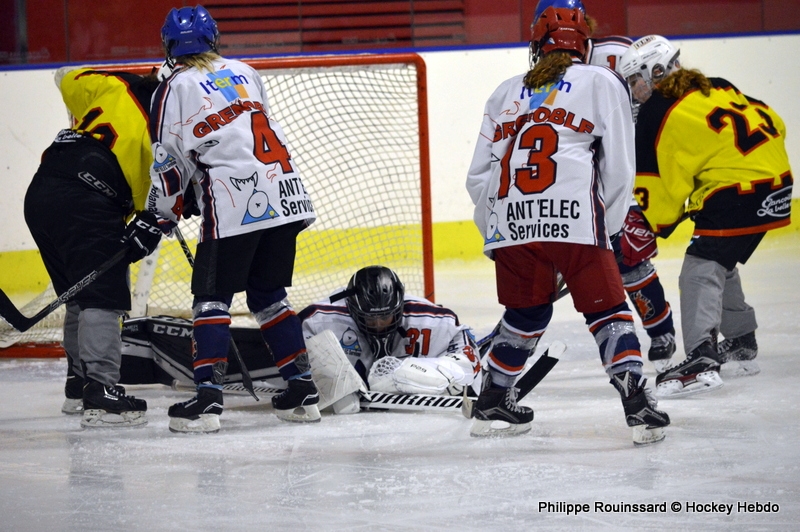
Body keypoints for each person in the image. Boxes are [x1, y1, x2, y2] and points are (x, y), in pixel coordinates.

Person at [465, 4, 670, 444]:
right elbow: (618, 165)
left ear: (536, 43)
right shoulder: (601, 81)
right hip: (575, 215)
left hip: (509, 218)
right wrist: (610, 227)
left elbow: (479, 176)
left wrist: (496, 233)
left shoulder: (504, 92)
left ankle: (493, 399)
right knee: (607, 309)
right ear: (586, 42)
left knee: (526, 312)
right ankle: (636, 401)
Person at [148, 5, 320, 433]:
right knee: (268, 295)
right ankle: (301, 391)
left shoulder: (174, 86)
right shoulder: (246, 70)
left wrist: (162, 212)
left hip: (232, 203)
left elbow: (170, 161)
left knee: (211, 299)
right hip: (285, 194)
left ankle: (207, 400)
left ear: (170, 45)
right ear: (214, 39)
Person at [618, 35, 793, 396]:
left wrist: (651, 223)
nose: (635, 92)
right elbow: (773, 120)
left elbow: (658, 188)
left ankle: (701, 360)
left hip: (739, 191)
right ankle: (742, 340)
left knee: (699, 266)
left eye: (636, 82)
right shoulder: (718, 86)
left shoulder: (657, 110)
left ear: (656, 72)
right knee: (720, 255)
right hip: (778, 183)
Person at [533, 0, 677, 373]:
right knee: (603, 264)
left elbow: (661, 93)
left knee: (629, 255)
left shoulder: (617, 53)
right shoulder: (547, 71)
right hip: (584, 177)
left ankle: (661, 331)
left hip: (626, 165)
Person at [24, 67, 163, 427]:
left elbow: (65, 76)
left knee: (80, 294)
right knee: (103, 297)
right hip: (88, 199)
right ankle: (101, 392)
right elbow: (163, 194)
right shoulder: (162, 129)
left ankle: (78, 382)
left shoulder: (113, 85)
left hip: (41, 191)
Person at [299, 266, 480, 414]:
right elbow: (286, 351)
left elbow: (469, 358)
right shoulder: (321, 318)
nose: (378, 324)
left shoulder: (431, 318)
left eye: (385, 316)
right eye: (369, 318)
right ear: (352, 309)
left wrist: (439, 373)